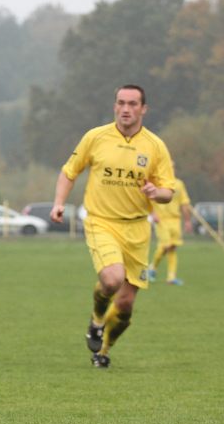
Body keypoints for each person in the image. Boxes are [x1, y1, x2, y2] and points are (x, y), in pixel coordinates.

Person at [50, 85, 175, 369]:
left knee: (126, 306)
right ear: (115, 106)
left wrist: (158, 193)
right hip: (101, 222)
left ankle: (103, 350)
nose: (126, 109)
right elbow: (69, 171)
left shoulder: (155, 146)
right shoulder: (96, 137)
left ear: (144, 109)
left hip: (138, 229)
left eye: (132, 104)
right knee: (111, 280)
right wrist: (59, 202)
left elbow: (169, 191)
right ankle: (96, 321)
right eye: (121, 103)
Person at [148, 167, 192, 285]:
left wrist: (187, 221)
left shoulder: (179, 184)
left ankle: (171, 277)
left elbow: (184, 203)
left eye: (173, 167)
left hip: (175, 220)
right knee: (165, 246)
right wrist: (152, 213)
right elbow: (148, 199)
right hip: (161, 220)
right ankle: (152, 268)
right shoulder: (156, 182)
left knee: (173, 247)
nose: (171, 169)